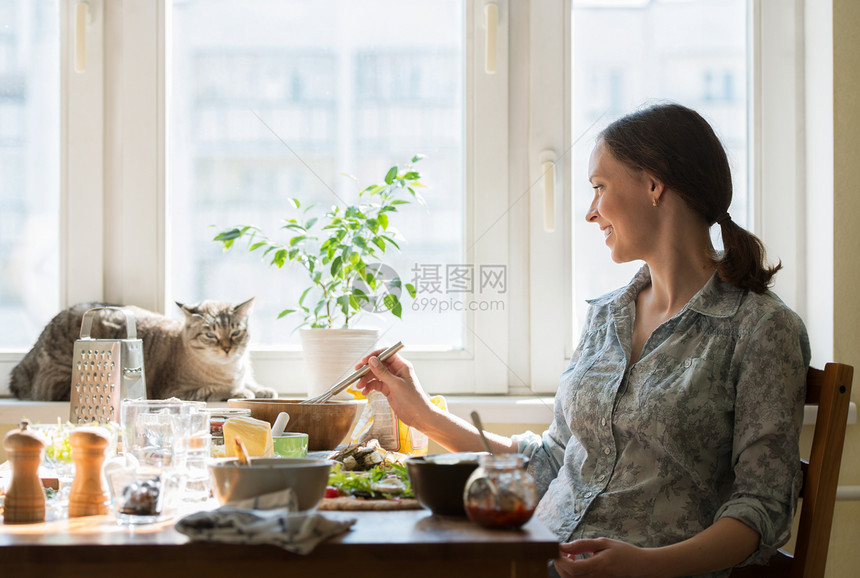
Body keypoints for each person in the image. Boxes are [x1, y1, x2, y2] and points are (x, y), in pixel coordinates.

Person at [354, 102, 810, 578]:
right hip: (534, 563)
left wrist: (645, 566)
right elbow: (554, 460)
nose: (591, 213)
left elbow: (763, 507)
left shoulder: (760, 329)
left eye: (599, 188)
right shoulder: (606, 316)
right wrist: (424, 415)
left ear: (654, 185)